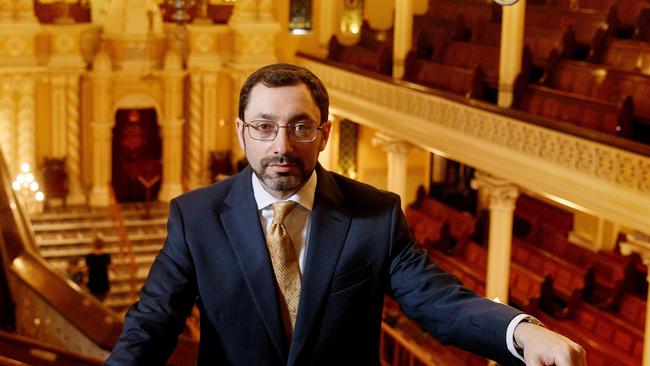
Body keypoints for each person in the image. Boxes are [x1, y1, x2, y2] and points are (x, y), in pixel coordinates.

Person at [107, 64, 586, 366]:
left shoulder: (375, 214)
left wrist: (521, 334)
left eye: (300, 126)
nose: (281, 145)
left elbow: (437, 301)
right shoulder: (196, 216)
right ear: (241, 132)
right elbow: (153, 321)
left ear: (325, 133)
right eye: (264, 127)